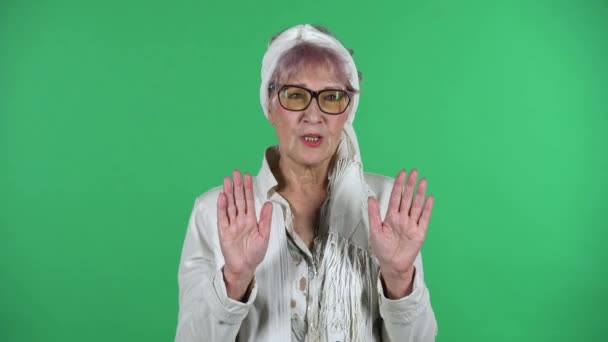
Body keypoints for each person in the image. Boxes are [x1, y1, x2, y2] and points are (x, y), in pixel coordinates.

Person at [175, 24, 438, 342]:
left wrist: (399, 278)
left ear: (347, 111)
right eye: (295, 95)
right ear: (270, 106)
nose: (313, 115)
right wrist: (234, 279)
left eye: (331, 97)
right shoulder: (217, 214)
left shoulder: (386, 208)